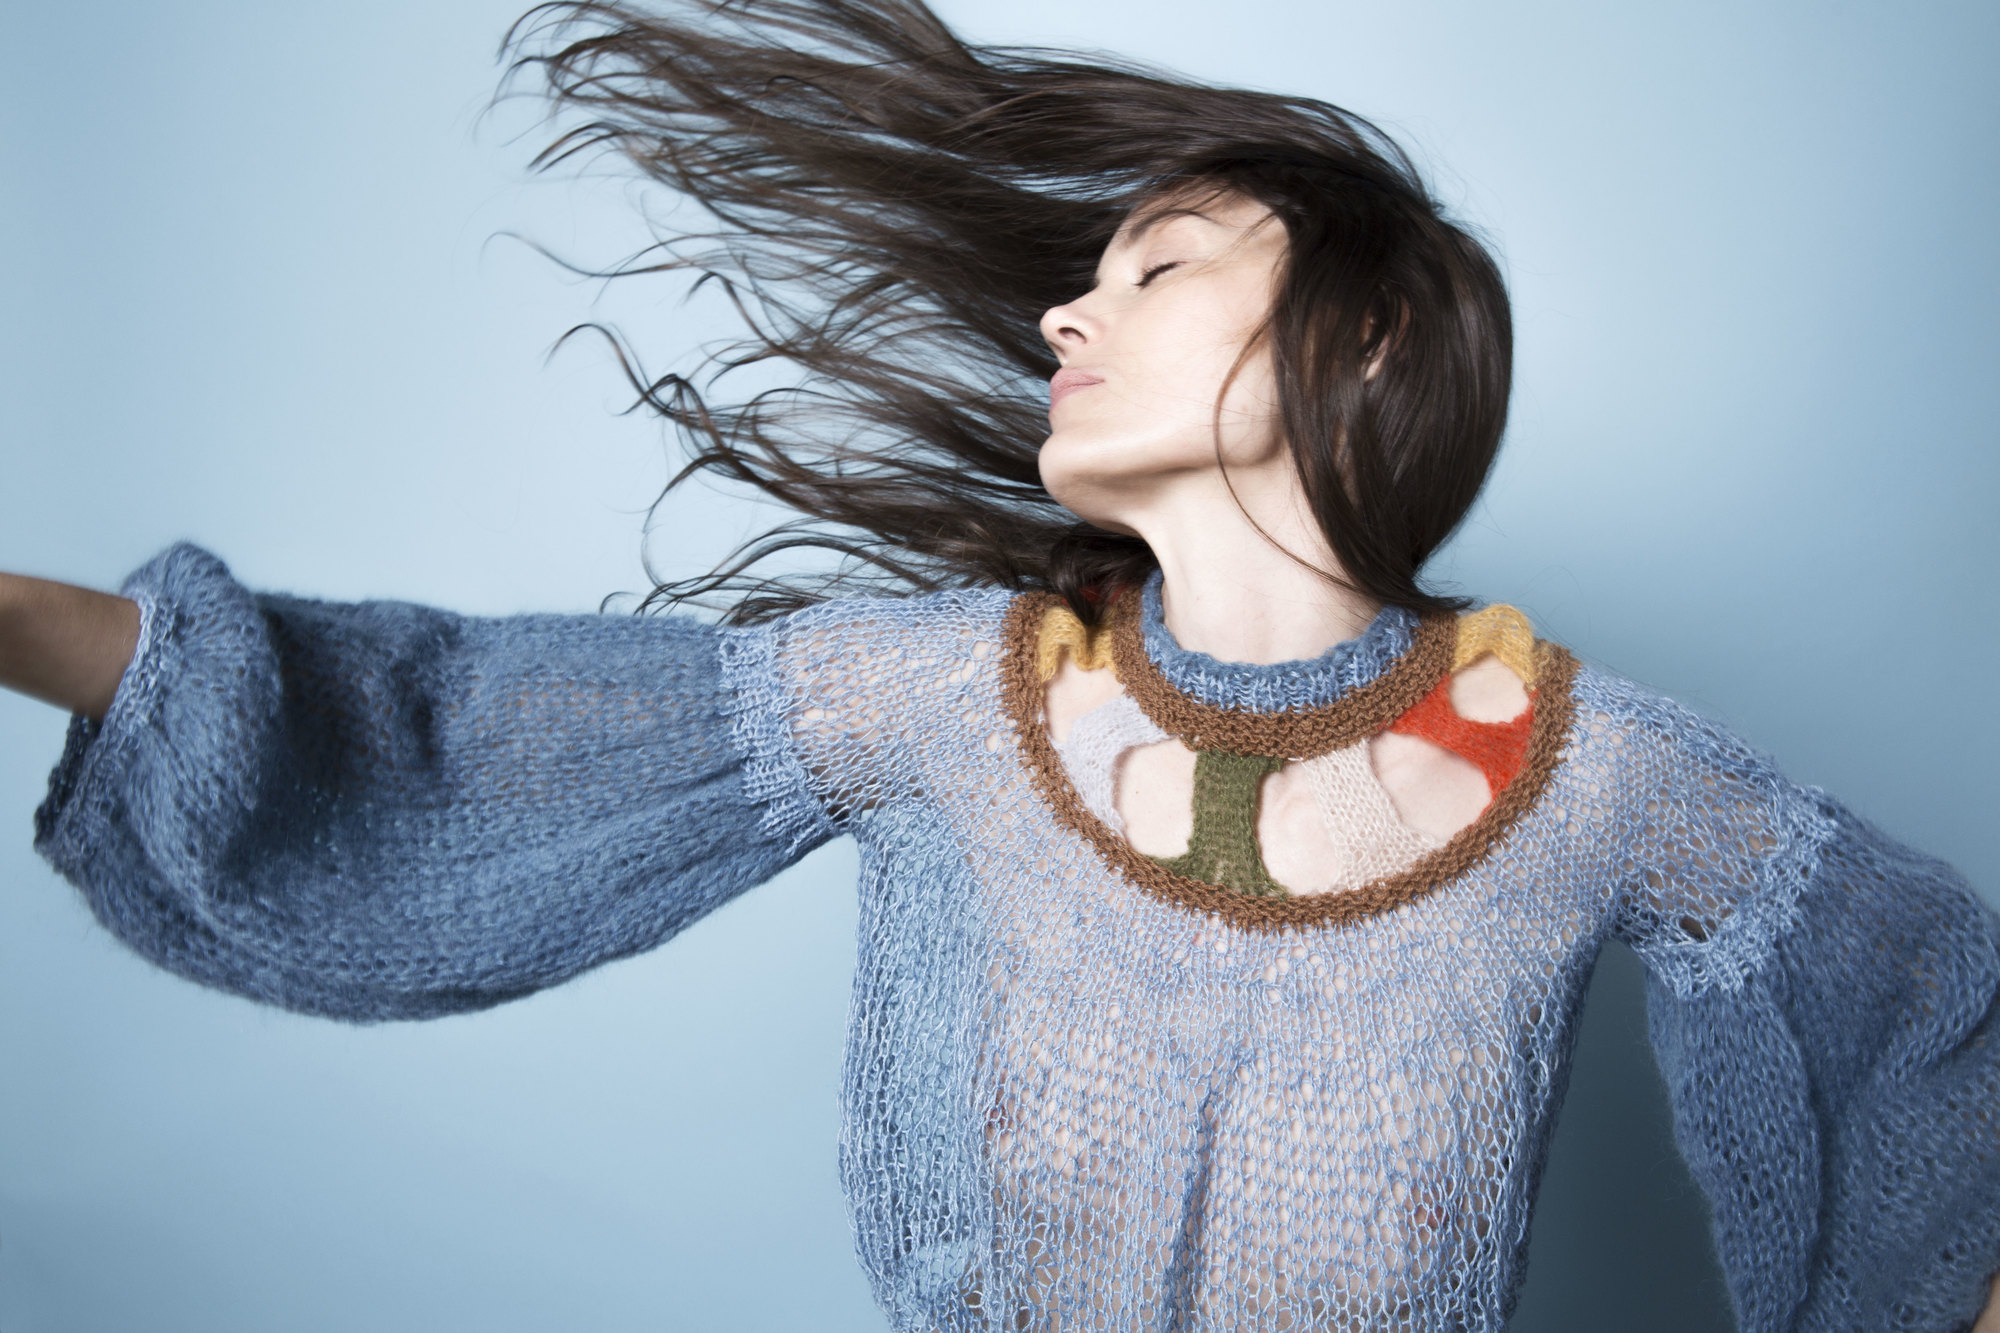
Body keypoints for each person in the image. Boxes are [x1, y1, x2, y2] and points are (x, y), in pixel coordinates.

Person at [3, 0, 1996, 1328]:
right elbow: (446, 736)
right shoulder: (942, 702)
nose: (1066, 313)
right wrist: (16, 617)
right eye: (1087, 274)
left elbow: (1935, 1051)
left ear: (1367, 338)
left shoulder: (1598, 779)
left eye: (1157, 265)